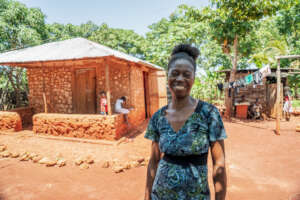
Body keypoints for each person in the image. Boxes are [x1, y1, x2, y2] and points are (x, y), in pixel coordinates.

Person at [144, 44, 227, 200]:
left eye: (186, 74)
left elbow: (219, 163)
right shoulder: (158, 117)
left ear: (193, 78)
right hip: (160, 195)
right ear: (168, 76)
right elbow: (153, 162)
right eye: (175, 73)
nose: (180, 78)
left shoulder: (209, 114)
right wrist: (147, 196)